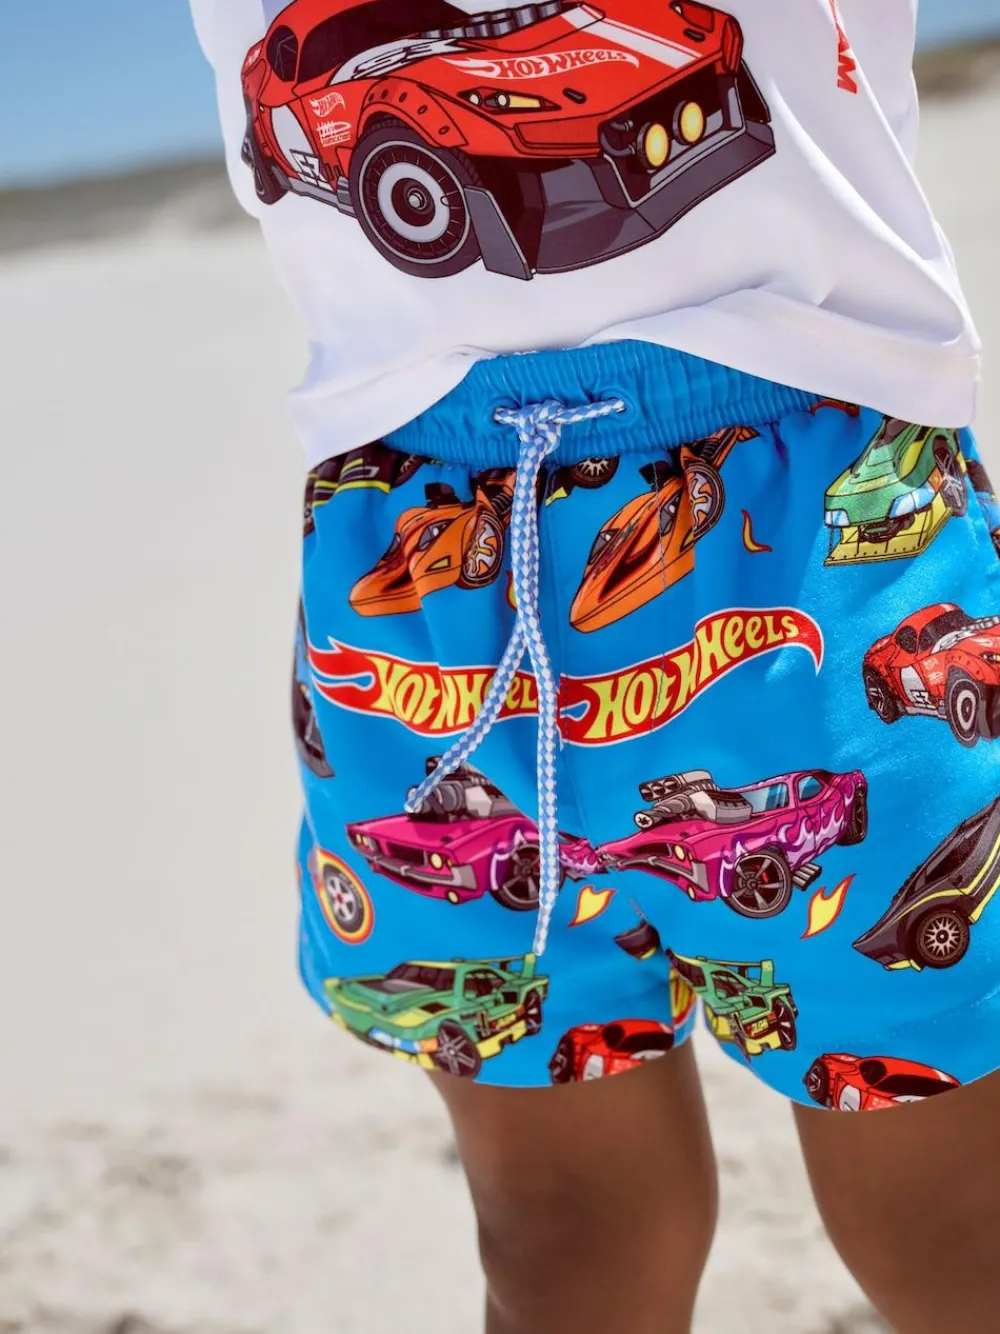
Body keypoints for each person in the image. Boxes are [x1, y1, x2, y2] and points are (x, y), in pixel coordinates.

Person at [192, 1, 999, 1329]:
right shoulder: (336, 79)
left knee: (955, 1217)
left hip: (810, 513)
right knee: (558, 1235)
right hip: (418, 554)